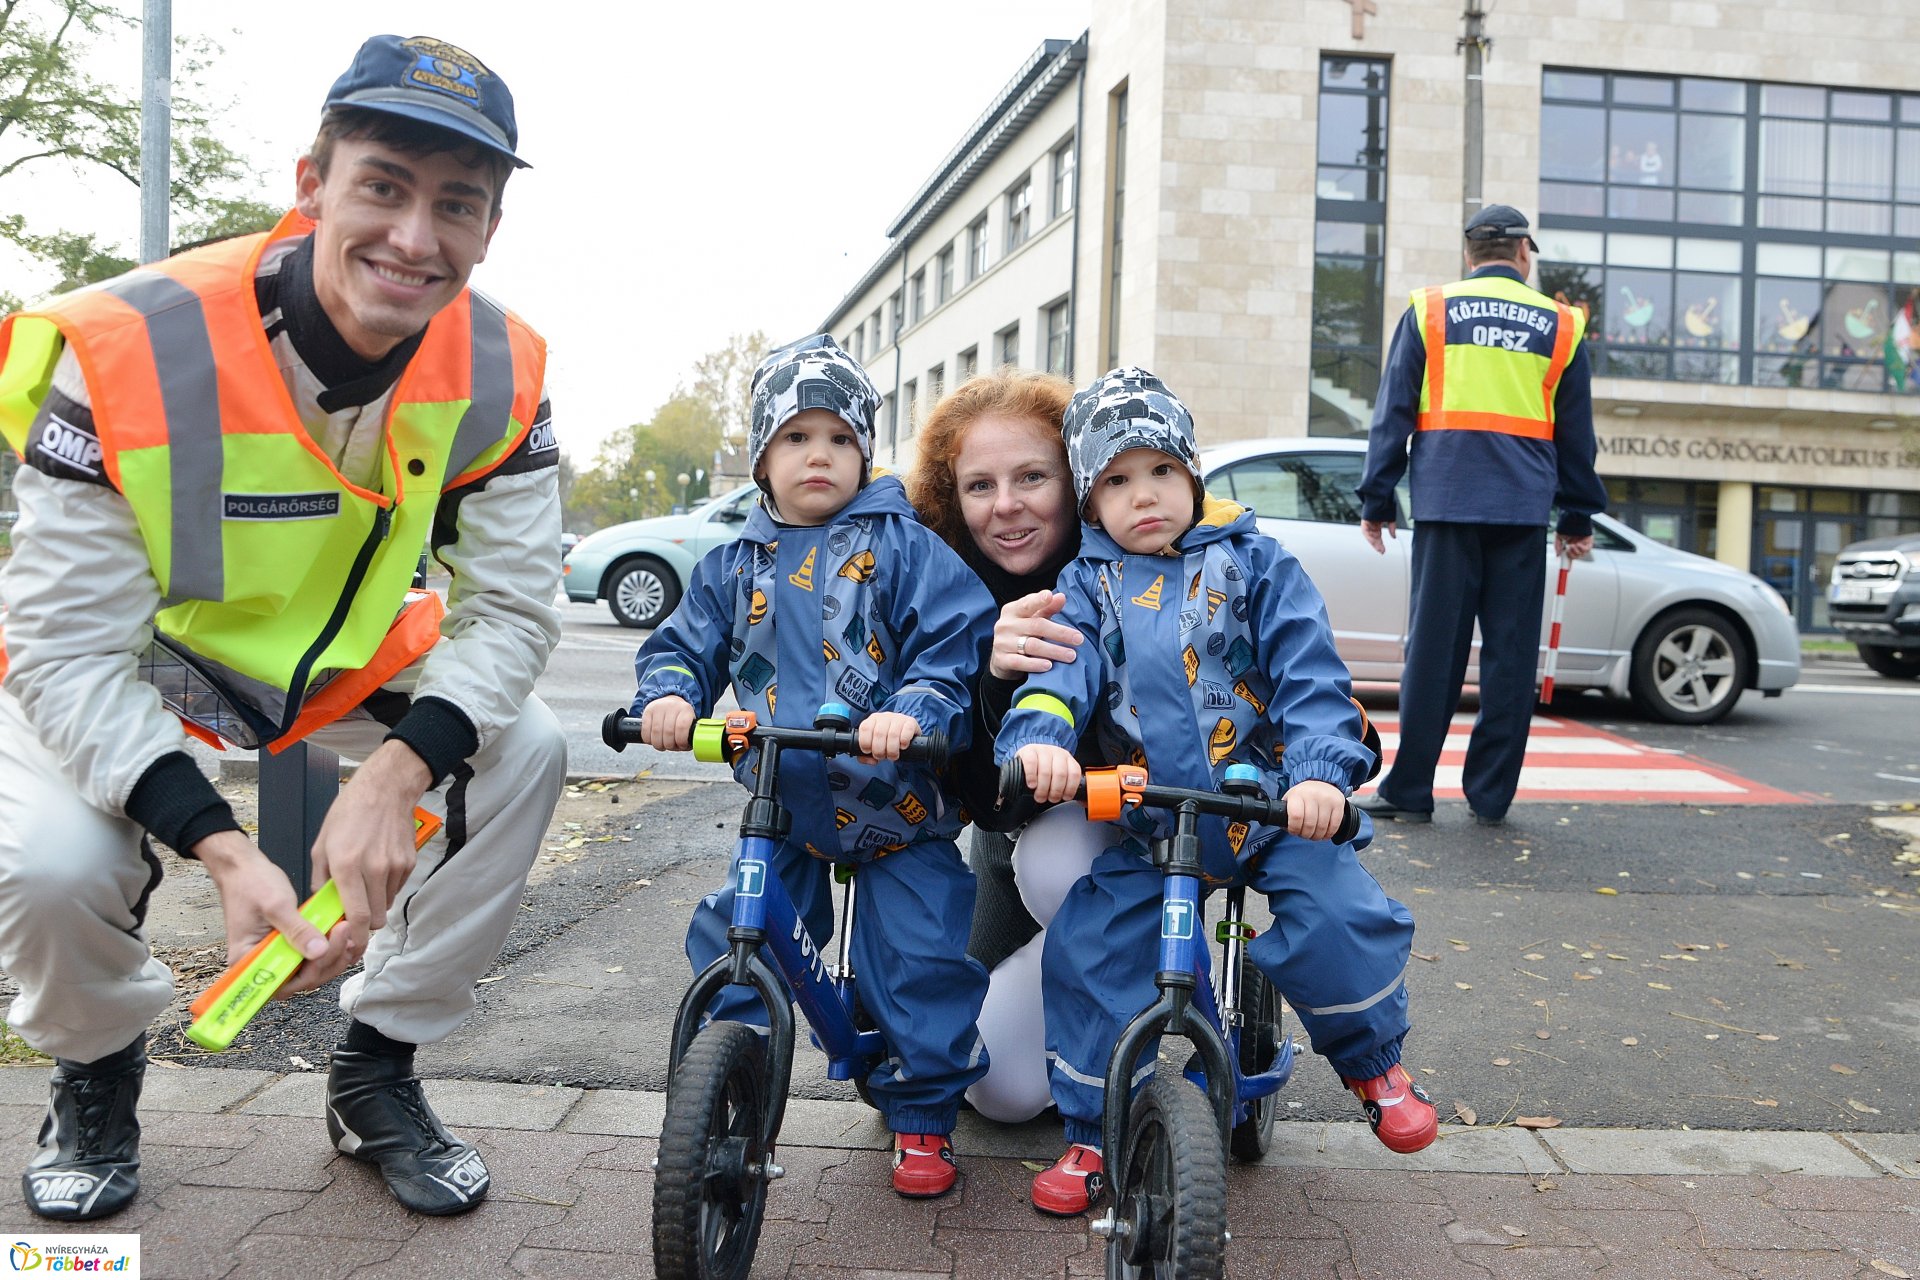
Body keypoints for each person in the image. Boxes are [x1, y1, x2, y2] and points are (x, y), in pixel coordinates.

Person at [0, 35, 566, 1221]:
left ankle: (377, 1069)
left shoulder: (502, 368)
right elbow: (61, 647)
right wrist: (217, 842)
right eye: (382, 187)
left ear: (488, 230)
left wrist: (403, 769)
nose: (415, 237)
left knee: (526, 752)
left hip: (337, 665)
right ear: (312, 184)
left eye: (455, 205)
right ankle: (96, 1068)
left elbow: (514, 605)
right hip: (128, 667)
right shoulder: (127, 348)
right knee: (53, 861)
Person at [998, 367, 1434, 1217]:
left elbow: (1312, 678)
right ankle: (1090, 1127)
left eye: (1162, 472)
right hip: (1154, 822)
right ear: (1089, 506)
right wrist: (1040, 742)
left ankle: (1374, 1064)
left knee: (1338, 907)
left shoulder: (1257, 562)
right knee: (1090, 946)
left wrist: (1317, 776)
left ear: (1194, 476)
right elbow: (1058, 679)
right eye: (1116, 482)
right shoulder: (1086, 588)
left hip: (1269, 803)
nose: (1145, 497)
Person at [630, 335, 996, 1200]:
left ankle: (921, 1115)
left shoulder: (904, 547)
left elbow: (953, 646)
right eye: (795, 438)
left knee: (919, 962)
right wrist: (672, 695)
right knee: (738, 932)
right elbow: (682, 645)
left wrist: (916, 712)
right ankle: (731, 1076)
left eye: (838, 437)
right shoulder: (733, 563)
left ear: (865, 451)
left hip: (899, 806)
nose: (818, 455)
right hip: (782, 802)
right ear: (762, 457)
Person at [1354, 204, 1607, 828]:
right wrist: (1577, 515)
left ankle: (1410, 790)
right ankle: (1490, 795)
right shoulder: (1562, 324)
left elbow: (1394, 412)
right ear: (1524, 253)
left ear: (1470, 255)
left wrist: (1377, 497)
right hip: (1522, 511)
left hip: (1446, 502)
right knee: (1511, 656)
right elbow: (1577, 434)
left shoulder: (1429, 309)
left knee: (1435, 652)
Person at [906, 371, 1110, 1125]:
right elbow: (977, 801)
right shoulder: (939, 588)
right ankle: (1089, 994)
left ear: (1079, 479)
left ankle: (1159, 1006)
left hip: (1156, 835)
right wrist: (993, 676)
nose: (1007, 506)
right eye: (979, 485)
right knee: (1001, 1093)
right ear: (949, 498)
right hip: (1014, 843)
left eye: (1032, 477)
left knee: (1067, 864)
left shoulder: (1137, 553)